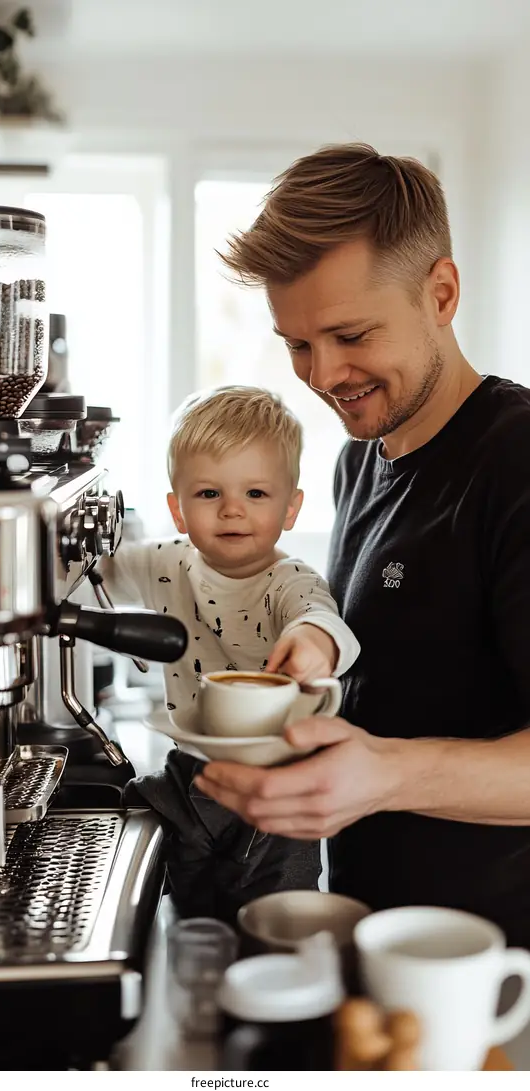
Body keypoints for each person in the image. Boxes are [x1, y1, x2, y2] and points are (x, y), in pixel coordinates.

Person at [193, 142, 530, 948]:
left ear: (441, 293)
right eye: (297, 343)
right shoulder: (360, 462)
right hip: (374, 937)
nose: (322, 373)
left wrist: (384, 775)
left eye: (349, 334)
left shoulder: (516, 461)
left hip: (491, 971)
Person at [102, 385, 359, 921]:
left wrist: (315, 642)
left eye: (257, 495)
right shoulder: (166, 563)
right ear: (177, 508)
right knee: (192, 913)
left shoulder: (289, 582)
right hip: (190, 772)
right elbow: (96, 572)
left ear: (291, 509)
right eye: (209, 494)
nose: (233, 511)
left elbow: (323, 621)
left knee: (275, 914)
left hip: (277, 781)